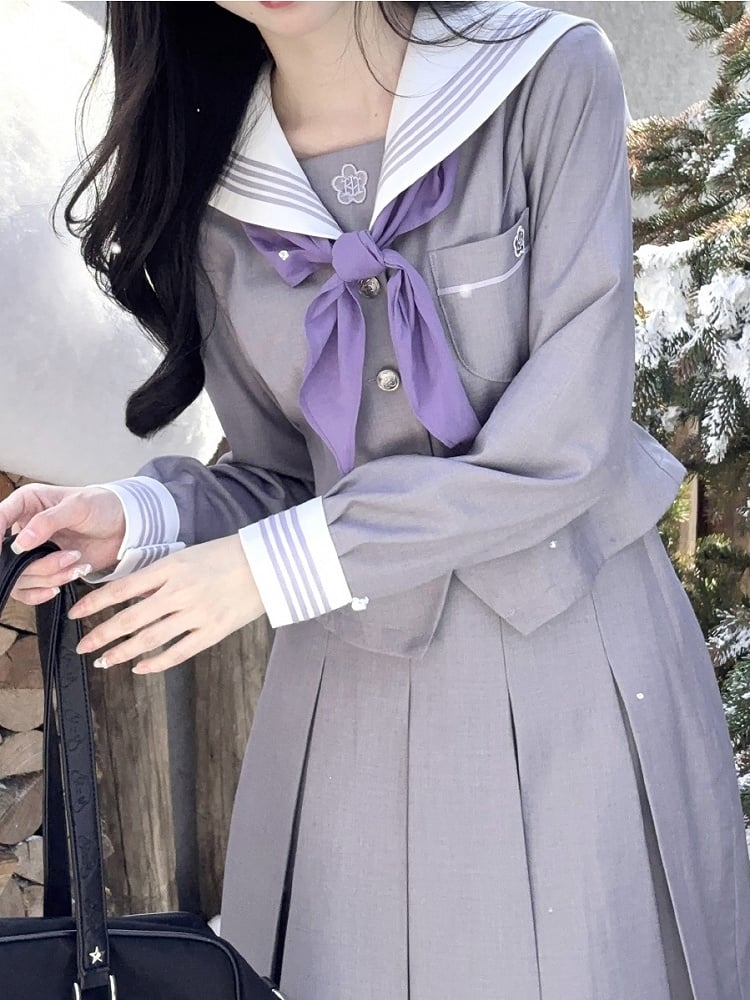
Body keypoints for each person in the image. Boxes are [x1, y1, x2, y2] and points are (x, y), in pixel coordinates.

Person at [1, 1, 749, 996]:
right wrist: (145, 515)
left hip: (577, 675)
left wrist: (272, 568)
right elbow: (282, 473)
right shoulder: (220, 176)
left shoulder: (545, 79)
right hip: (354, 708)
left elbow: (564, 447)